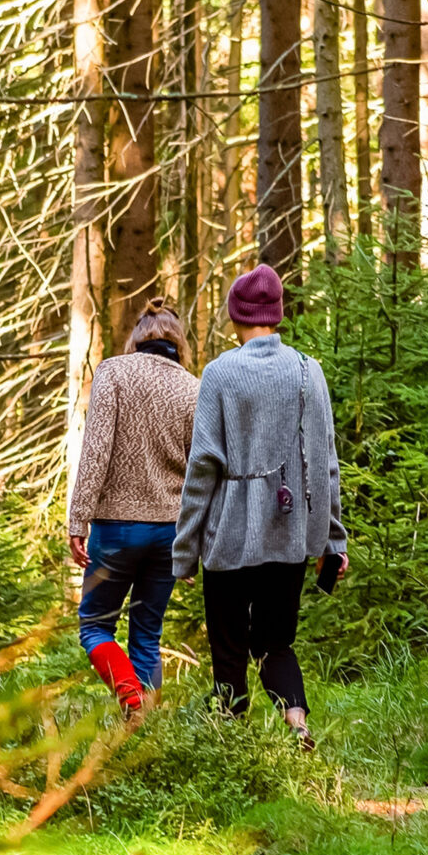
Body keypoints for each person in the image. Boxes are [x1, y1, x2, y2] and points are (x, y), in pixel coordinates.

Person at [172, 264, 349, 749]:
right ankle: (297, 724)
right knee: (276, 643)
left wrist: (185, 551)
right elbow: (325, 460)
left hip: (228, 539)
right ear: (277, 314)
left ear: (236, 316)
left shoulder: (219, 373)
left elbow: (202, 467)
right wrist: (332, 539)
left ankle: (231, 747)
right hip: (289, 536)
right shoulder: (308, 371)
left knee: (228, 648)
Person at [66, 298, 202, 721]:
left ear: (137, 337)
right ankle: (142, 729)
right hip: (170, 533)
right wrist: (196, 540)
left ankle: (132, 702)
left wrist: (78, 519)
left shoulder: (112, 372)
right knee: (147, 634)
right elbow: (201, 469)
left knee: (94, 626)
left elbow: (95, 451)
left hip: (116, 529)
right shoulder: (193, 387)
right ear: (178, 341)